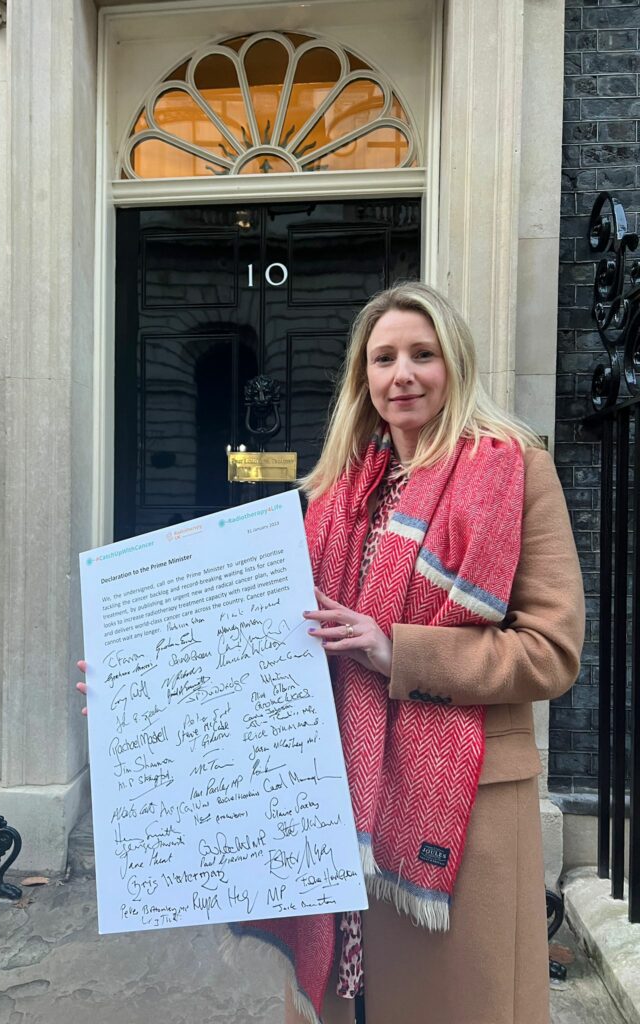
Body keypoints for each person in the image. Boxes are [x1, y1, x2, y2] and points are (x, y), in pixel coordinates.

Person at [228, 281, 584, 1024]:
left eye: (423, 355)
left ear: (454, 364)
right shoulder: (333, 493)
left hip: (461, 814)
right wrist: (141, 687)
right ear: (364, 377)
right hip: (338, 801)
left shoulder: (515, 470)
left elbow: (551, 652)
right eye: (383, 358)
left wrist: (399, 653)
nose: (403, 375)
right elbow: (266, 639)